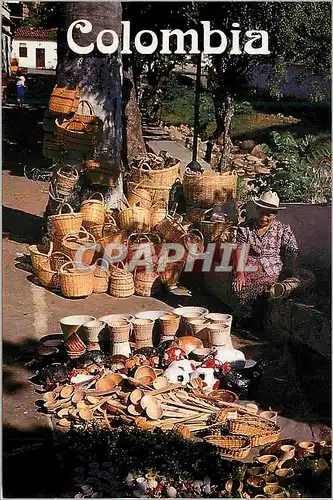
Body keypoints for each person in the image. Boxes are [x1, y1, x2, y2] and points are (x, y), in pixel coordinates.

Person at [233, 191, 299, 327]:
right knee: (242, 287)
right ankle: (248, 318)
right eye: (261, 212)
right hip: (251, 266)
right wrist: (240, 274)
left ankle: (257, 317)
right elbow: (240, 249)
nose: (264, 217)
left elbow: (291, 251)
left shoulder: (283, 230)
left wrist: (287, 271)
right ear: (257, 209)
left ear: (275, 214)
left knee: (269, 290)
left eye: (269, 214)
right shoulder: (245, 228)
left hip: (273, 268)